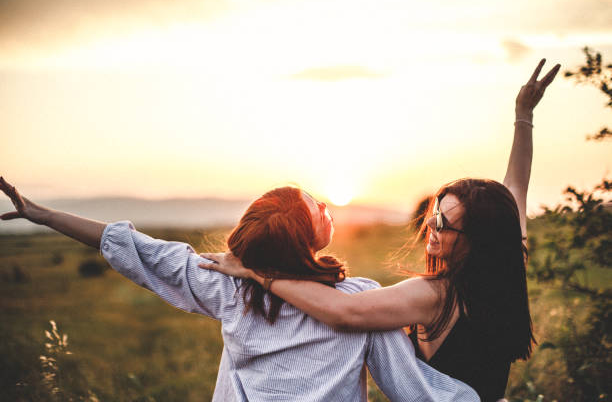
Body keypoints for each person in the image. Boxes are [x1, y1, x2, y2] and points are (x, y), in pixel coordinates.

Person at [199, 59, 561, 402]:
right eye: (434, 214)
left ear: (478, 239)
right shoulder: (505, 265)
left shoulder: (435, 294)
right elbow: (515, 188)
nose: (430, 227)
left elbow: (345, 313)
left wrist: (260, 273)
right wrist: (523, 117)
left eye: (445, 225)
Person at [0, 180, 478, 401]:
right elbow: (413, 390)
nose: (328, 209)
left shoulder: (229, 288)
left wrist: (45, 216)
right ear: (303, 239)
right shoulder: (359, 300)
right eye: (317, 209)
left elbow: (132, 247)